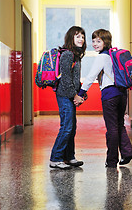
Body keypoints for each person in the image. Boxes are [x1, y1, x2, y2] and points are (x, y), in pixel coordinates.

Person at [77, 29, 132, 168]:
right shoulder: (114, 55)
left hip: (110, 96)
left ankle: (112, 161)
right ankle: (127, 153)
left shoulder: (102, 57)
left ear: (106, 41)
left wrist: (81, 93)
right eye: (93, 41)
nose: (95, 44)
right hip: (122, 94)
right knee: (119, 125)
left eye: (98, 41)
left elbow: (91, 76)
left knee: (112, 128)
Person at [50, 26, 86, 169]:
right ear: (71, 38)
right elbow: (65, 79)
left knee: (72, 128)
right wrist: (75, 95)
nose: (81, 39)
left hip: (70, 95)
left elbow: (74, 78)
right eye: (78, 36)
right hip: (65, 95)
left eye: (82, 37)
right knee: (66, 127)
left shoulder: (76, 56)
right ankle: (55, 158)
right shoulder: (67, 55)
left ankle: (69, 157)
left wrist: (81, 93)